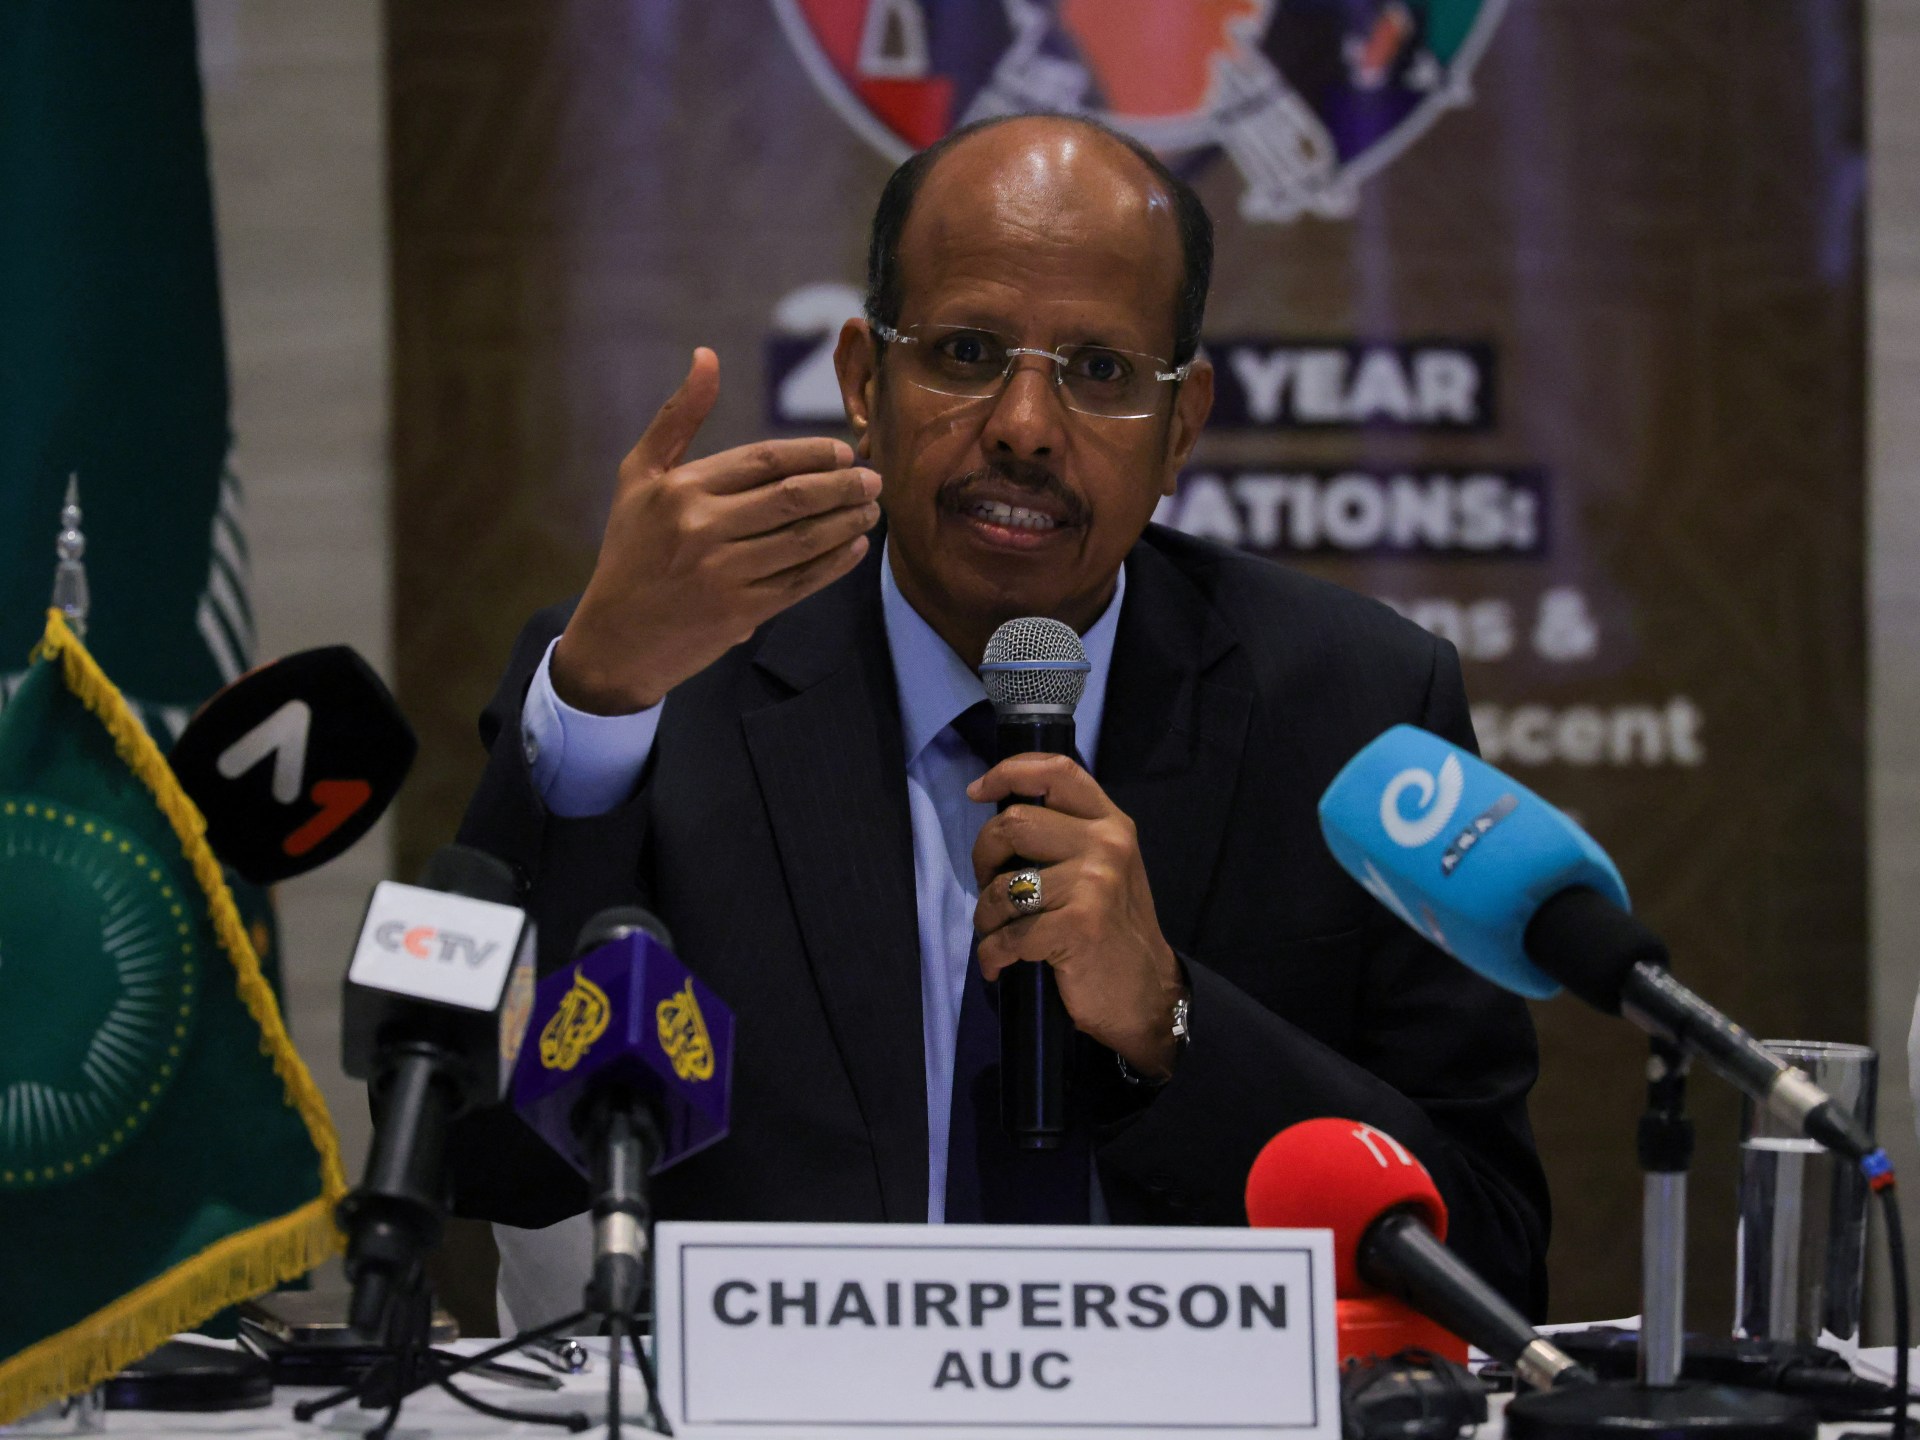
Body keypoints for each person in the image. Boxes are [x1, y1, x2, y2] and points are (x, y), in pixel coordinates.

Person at [447, 113, 1550, 1321]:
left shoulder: (1354, 709)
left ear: (1182, 426)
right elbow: (480, 1151)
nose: (1024, 427)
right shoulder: (665, 679)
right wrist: (599, 705)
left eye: (1101, 373)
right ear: (864, 382)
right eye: (967, 353)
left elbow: (1489, 1252)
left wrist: (1171, 1017)